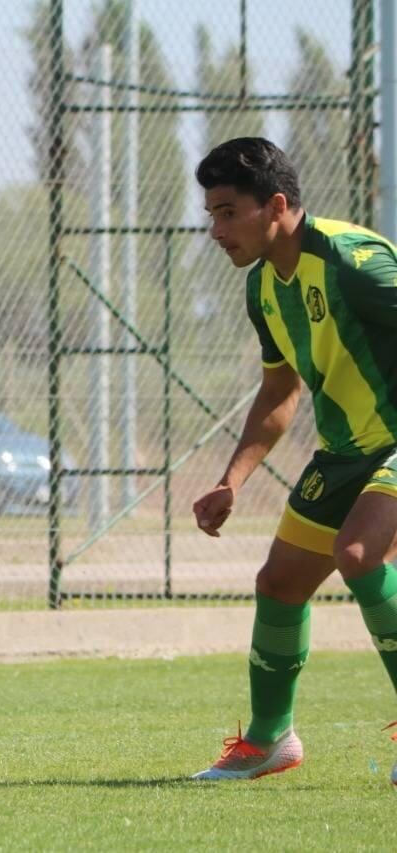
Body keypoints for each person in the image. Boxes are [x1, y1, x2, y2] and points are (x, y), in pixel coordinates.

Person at [190, 137, 397, 783]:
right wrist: (232, 480)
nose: (217, 230)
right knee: (279, 583)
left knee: (360, 553)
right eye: (212, 216)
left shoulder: (353, 260)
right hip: (345, 452)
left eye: (228, 213)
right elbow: (281, 392)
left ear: (277, 205)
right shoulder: (263, 291)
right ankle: (269, 739)